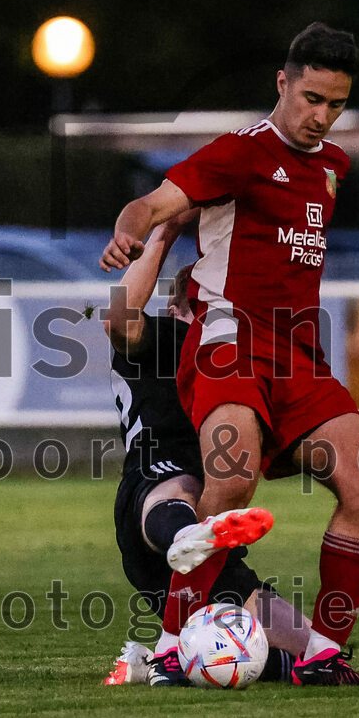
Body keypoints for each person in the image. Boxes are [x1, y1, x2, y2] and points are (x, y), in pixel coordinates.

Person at [101, 23, 359, 686]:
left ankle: (322, 657)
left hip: (297, 354)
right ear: (282, 84)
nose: (322, 116)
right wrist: (129, 234)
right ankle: (174, 647)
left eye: (336, 104)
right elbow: (154, 204)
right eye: (311, 98)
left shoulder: (332, 168)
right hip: (228, 342)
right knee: (230, 483)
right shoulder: (238, 153)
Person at [101, 214, 311, 687]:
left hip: (210, 539)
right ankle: (185, 536)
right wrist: (165, 231)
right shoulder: (167, 338)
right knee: (184, 486)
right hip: (152, 494)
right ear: (182, 307)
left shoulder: (244, 361)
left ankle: (157, 661)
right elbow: (118, 321)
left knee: (313, 656)